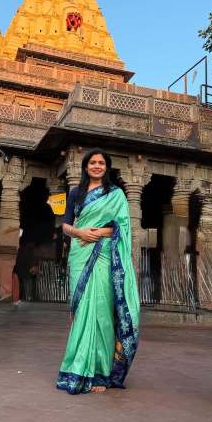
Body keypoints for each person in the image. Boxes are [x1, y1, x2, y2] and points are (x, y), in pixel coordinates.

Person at [57, 148, 140, 395]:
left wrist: (98, 232)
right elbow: (65, 225)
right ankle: (77, 367)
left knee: (102, 311)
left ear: (107, 167)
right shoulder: (75, 193)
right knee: (82, 310)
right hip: (80, 253)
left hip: (103, 254)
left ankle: (100, 373)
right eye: (92, 162)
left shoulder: (115, 195)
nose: (96, 166)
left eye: (101, 163)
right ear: (85, 167)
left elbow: (122, 227)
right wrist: (80, 232)